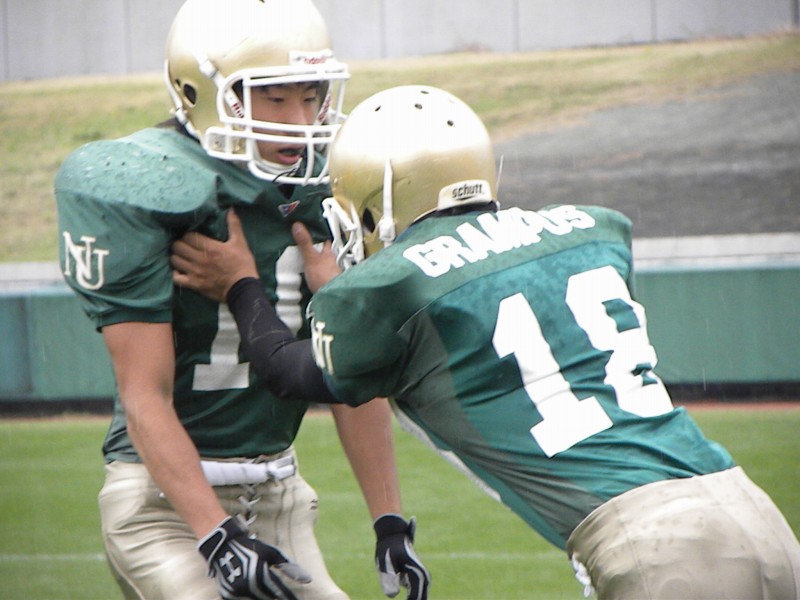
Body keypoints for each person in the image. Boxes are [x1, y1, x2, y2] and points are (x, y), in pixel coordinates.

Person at [171, 84, 800, 599]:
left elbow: (289, 372)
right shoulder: (591, 228)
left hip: (653, 543)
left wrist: (241, 285)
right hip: (749, 506)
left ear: (375, 199)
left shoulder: (391, 286)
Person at [55, 1, 429, 598]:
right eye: (273, 98)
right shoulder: (147, 184)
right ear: (199, 92)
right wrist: (216, 536)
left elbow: (349, 375)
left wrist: (388, 521)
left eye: (310, 95)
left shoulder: (324, 185)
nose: (298, 119)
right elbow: (143, 394)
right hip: (164, 504)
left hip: (281, 498)